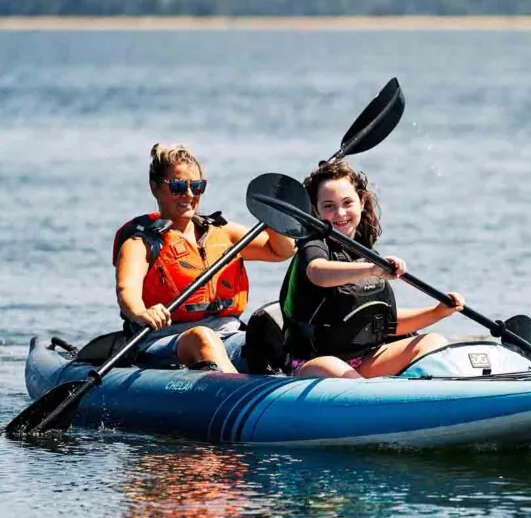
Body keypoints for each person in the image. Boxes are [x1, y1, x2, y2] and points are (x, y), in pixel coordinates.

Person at [114, 143, 296, 373]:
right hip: (165, 340)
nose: (189, 195)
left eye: (197, 186)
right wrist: (141, 312)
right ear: (155, 188)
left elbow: (282, 250)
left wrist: (273, 220)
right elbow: (125, 291)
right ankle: (239, 396)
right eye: (178, 186)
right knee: (202, 337)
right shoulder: (140, 244)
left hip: (229, 335)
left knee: (274, 333)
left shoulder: (224, 233)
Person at [279, 159, 465, 379]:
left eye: (347, 202)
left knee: (434, 342)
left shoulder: (367, 254)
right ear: (315, 210)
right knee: (334, 367)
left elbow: (387, 325)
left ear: (362, 202)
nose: (340, 213)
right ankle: (373, 398)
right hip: (314, 363)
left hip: (364, 359)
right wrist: (371, 269)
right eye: (329, 206)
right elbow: (317, 272)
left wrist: (437, 312)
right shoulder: (313, 244)